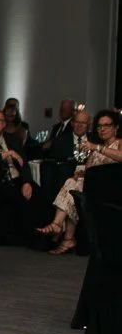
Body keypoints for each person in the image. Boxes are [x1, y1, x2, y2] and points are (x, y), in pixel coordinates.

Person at [35, 108, 122, 255]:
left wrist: (98, 148)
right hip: (94, 188)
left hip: (112, 190)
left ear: (115, 128)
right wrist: (81, 174)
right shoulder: (95, 149)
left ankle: (60, 228)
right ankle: (65, 235)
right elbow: (89, 171)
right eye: (99, 126)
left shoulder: (117, 143)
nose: (102, 129)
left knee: (74, 188)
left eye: (106, 125)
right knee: (73, 186)